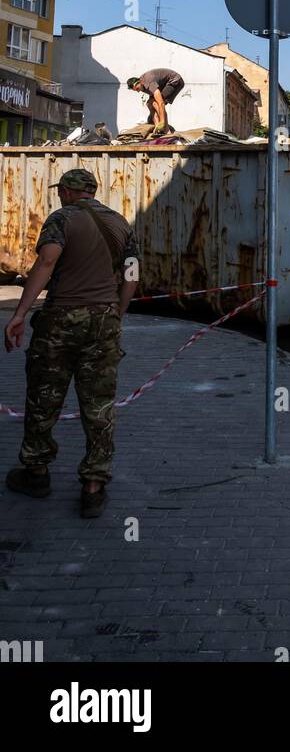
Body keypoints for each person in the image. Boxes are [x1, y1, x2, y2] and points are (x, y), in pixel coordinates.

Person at [4, 169, 140, 518]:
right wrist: (117, 312)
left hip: (61, 320)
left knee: (44, 396)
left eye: (60, 191)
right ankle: (94, 486)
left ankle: (36, 473)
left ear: (66, 191)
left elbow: (46, 262)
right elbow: (132, 274)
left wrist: (20, 313)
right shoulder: (120, 223)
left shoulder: (61, 219)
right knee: (99, 404)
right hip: (104, 322)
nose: (59, 195)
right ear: (92, 192)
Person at [127, 68, 185, 138]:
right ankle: (157, 127)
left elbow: (161, 103)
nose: (138, 91)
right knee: (149, 104)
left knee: (156, 103)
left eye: (137, 89)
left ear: (139, 82)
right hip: (164, 84)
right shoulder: (142, 84)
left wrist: (163, 121)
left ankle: (166, 130)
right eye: (136, 90)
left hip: (175, 81)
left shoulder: (149, 83)